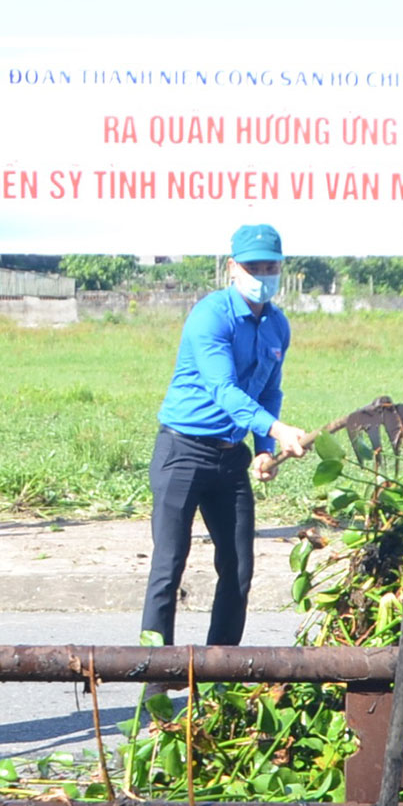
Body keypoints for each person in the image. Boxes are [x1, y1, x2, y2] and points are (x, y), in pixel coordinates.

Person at [142, 223, 311, 647]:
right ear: (232, 267)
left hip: (231, 457)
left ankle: (221, 668)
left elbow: (269, 390)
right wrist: (277, 428)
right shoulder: (211, 316)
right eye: (253, 267)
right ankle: (154, 669)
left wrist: (264, 449)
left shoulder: (277, 325)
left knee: (238, 569)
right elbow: (224, 390)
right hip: (182, 451)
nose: (263, 275)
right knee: (168, 565)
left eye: (271, 267)